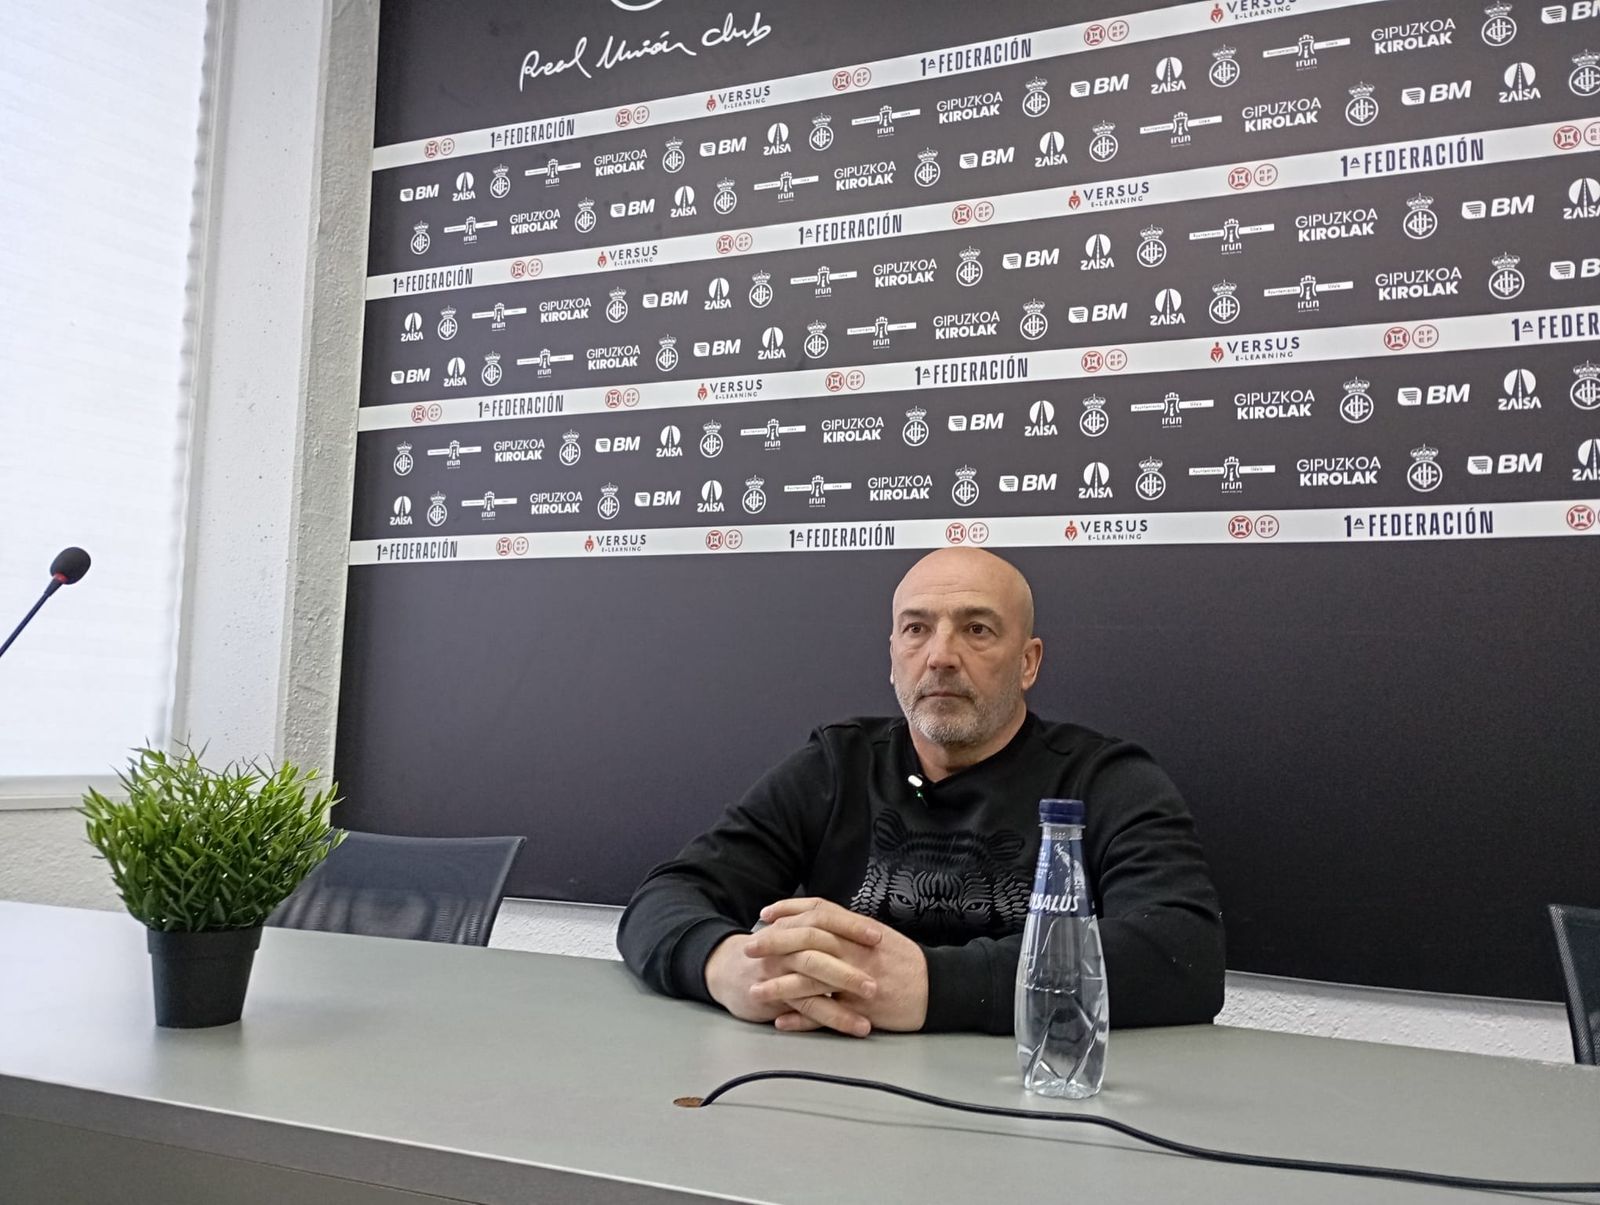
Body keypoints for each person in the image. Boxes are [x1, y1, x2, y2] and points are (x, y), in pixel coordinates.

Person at [617, 548, 1224, 1036]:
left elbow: (1183, 956)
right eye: (916, 629)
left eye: (977, 629)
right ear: (892, 657)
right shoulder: (838, 764)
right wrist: (725, 966)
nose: (940, 657)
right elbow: (666, 897)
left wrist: (933, 987)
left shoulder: (1104, 779)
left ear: (1028, 662)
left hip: (1025, 1094)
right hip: (838, 1089)